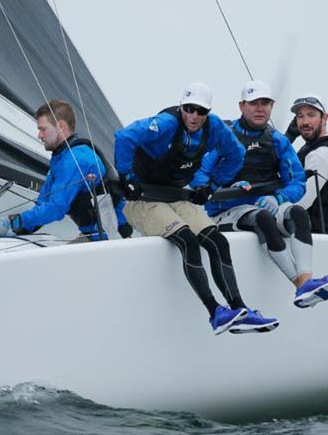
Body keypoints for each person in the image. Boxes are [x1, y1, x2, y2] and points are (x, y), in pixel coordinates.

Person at [114, 82, 278, 335]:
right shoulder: (166, 124)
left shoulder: (214, 128)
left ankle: (240, 311)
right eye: (189, 109)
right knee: (188, 241)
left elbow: (236, 154)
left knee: (218, 242)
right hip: (143, 199)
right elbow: (123, 137)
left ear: (207, 112)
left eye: (200, 111)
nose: (194, 116)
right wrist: (125, 177)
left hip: (178, 196)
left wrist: (211, 185)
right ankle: (215, 313)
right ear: (182, 107)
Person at [195, 81, 328, 309]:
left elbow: (298, 181)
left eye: (265, 103)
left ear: (272, 107)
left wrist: (279, 198)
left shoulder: (277, 141)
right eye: (254, 103)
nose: (260, 108)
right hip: (226, 211)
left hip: (265, 206)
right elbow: (199, 177)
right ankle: (300, 285)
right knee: (264, 219)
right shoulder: (223, 137)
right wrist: (226, 185)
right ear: (242, 106)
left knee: (298, 213)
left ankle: (307, 282)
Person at [0, 100, 133, 241]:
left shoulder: (77, 158)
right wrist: (17, 230)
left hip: (113, 240)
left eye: (43, 129)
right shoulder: (60, 159)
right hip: (94, 238)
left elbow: (56, 208)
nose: (39, 136)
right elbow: (43, 205)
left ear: (60, 126)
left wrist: (13, 221)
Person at [285, 95, 328, 234]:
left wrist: (270, 207)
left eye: (311, 115)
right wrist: (288, 137)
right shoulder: (311, 147)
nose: (305, 122)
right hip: (309, 230)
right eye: (300, 116)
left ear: (325, 118)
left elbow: (302, 201)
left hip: (313, 235)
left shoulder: (322, 153)